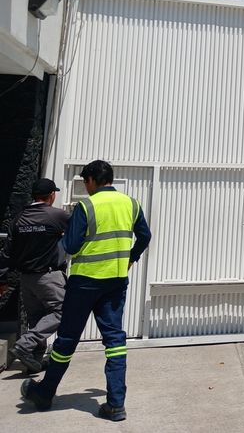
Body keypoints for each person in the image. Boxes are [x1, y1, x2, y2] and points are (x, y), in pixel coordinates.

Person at [20, 160, 151, 421]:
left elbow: (70, 245)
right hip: (115, 281)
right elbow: (145, 236)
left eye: (85, 182)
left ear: (92, 180)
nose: (85, 186)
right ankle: (116, 404)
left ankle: (45, 393)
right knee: (115, 341)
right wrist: (131, 258)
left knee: (67, 340)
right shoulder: (132, 204)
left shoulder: (86, 206)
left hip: (84, 283)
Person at [0, 178, 69, 374]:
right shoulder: (56, 215)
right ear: (52, 195)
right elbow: (79, 232)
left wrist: (2, 279)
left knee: (36, 318)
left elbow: (6, 252)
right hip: (49, 277)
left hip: (26, 279)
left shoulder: (19, 218)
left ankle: (34, 361)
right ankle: (24, 345)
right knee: (62, 312)